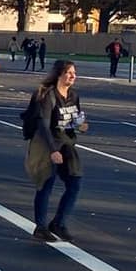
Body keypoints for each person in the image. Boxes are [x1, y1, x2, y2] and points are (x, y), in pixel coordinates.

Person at [24, 60, 86, 243]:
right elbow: (43, 125)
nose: (73, 76)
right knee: (46, 184)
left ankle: (58, 223)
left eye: (74, 72)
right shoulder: (48, 96)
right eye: (69, 73)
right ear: (59, 74)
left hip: (67, 144)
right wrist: (52, 151)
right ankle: (41, 227)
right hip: (47, 144)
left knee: (75, 183)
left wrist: (81, 126)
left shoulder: (74, 96)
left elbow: (75, 119)